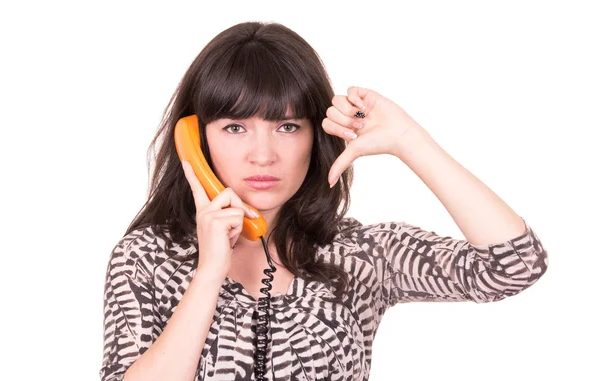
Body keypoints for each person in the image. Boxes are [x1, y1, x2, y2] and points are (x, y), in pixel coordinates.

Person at [99, 21, 549, 381]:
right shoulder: (147, 259)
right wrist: (209, 272)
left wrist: (411, 142)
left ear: (316, 136)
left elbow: (514, 266)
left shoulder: (358, 256)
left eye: (288, 126)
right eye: (235, 127)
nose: (263, 154)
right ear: (195, 140)